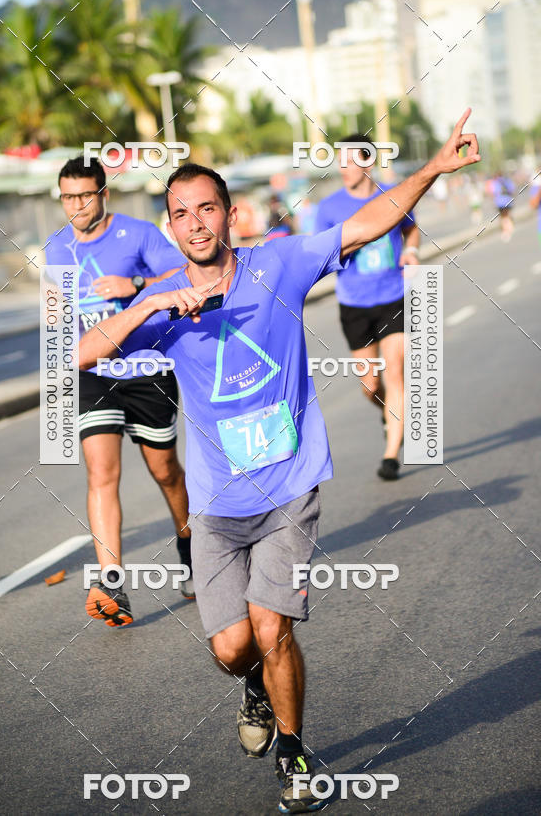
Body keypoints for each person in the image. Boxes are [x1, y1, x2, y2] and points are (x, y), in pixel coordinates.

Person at [79, 111, 480, 812]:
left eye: (208, 207)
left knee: (273, 627)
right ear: (171, 228)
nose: (198, 222)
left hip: (291, 487)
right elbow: (79, 355)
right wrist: (153, 304)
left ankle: (294, 752)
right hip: (216, 505)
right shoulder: (161, 302)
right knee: (233, 648)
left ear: (231, 215)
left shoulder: (279, 262)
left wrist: (433, 168)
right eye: (183, 214)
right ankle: (255, 686)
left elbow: (368, 222)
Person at [44, 155, 192, 628]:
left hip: (147, 369)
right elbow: (57, 315)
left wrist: (135, 283)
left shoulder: (139, 234)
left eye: (85, 195)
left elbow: (184, 273)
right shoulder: (54, 249)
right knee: (101, 471)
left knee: (165, 471)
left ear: (103, 194)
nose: (76, 205)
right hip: (93, 374)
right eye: (68, 197)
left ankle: (189, 544)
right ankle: (112, 582)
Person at [315, 134, 420, 481]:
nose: (343, 168)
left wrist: (411, 250)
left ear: (368, 161)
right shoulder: (328, 208)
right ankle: (387, 412)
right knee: (371, 386)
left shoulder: (392, 195)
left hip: (393, 296)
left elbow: (411, 227)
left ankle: (391, 456)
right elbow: (318, 252)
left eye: (350, 160)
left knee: (395, 375)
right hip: (354, 304)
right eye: (340, 161)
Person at [490, 171, 515, 242]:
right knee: (507, 215)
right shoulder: (506, 180)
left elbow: (493, 192)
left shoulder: (495, 182)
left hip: (500, 202)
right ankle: (510, 228)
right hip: (508, 201)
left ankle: (505, 230)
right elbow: (512, 189)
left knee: (503, 217)